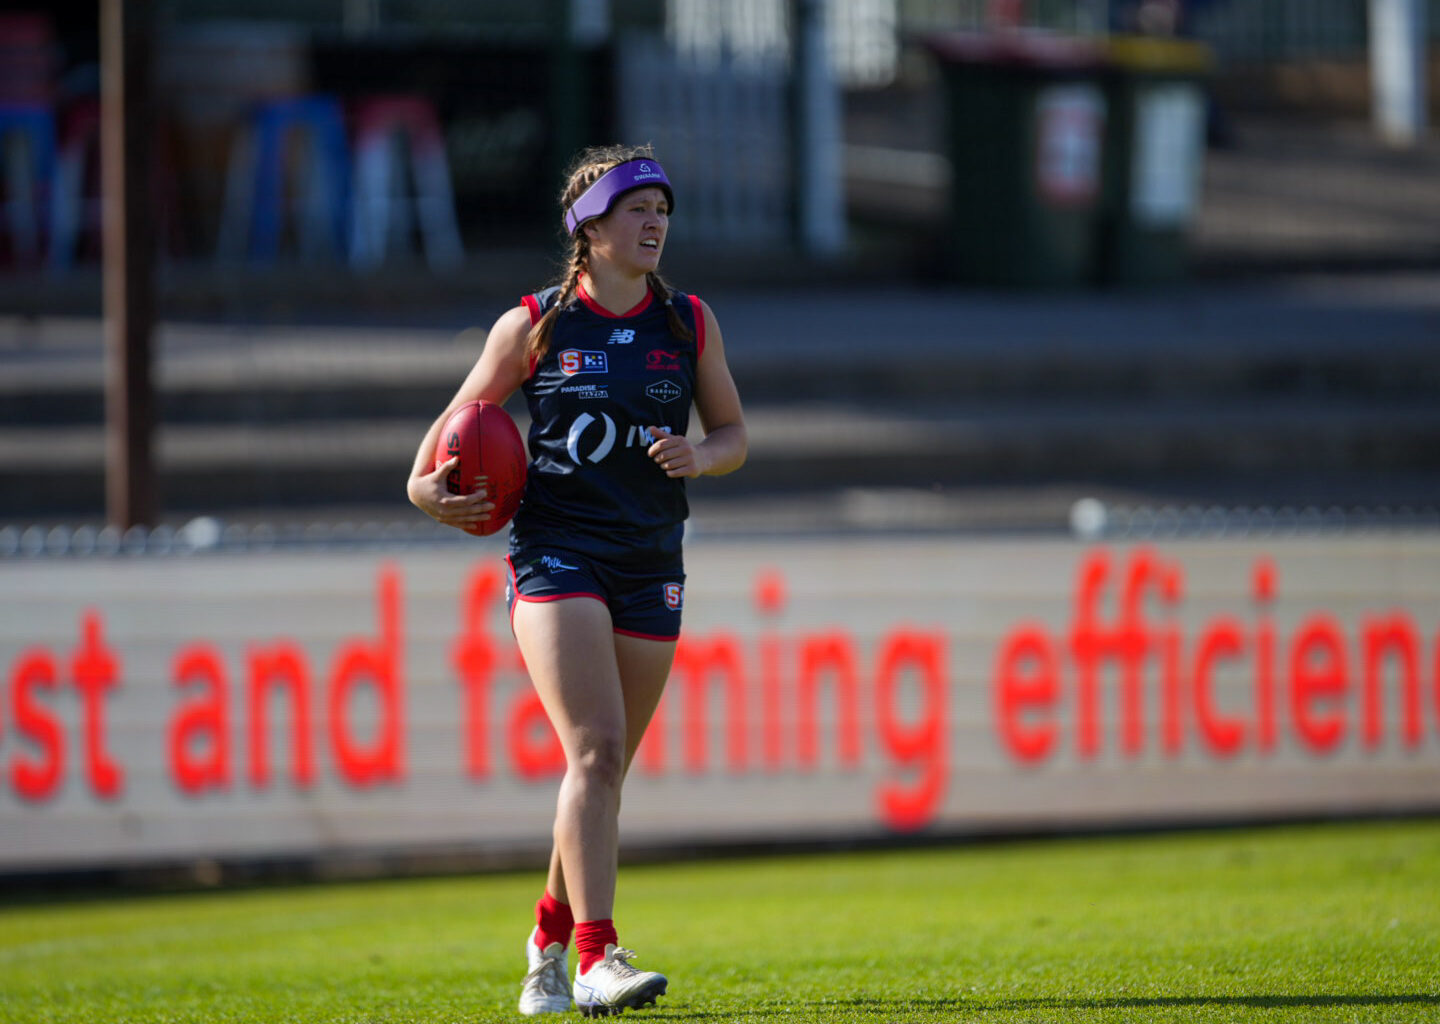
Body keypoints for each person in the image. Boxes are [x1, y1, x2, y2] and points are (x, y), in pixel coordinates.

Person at [407, 144, 747, 1017]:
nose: (655, 223)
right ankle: (599, 959)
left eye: (663, 210)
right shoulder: (533, 325)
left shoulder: (690, 323)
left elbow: (735, 432)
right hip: (557, 553)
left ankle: (547, 947)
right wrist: (431, 492)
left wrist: (700, 456)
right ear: (587, 228)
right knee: (594, 751)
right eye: (636, 209)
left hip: (650, 558)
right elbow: (440, 445)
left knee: (599, 774)